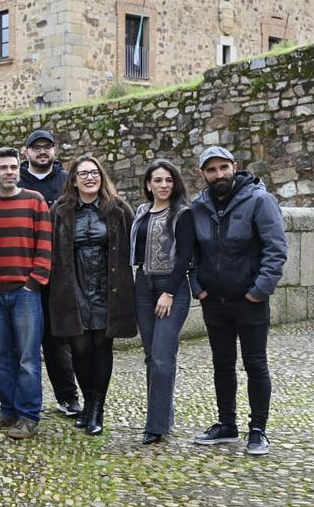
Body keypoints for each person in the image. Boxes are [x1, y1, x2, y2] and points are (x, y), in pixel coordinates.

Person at [189, 146, 287, 456]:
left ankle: (257, 430)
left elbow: (276, 249)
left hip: (250, 300)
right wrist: (197, 288)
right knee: (222, 365)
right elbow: (189, 254)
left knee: (255, 364)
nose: (219, 174)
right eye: (211, 170)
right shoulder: (198, 207)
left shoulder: (260, 200)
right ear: (202, 174)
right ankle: (227, 426)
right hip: (214, 300)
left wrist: (258, 290)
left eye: (223, 168)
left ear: (235, 166)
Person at [48, 156, 136, 436]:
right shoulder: (60, 210)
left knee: (102, 349)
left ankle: (97, 408)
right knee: (79, 350)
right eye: (82, 173)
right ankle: (87, 403)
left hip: (107, 287)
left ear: (101, 176)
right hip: (72, 288)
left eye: (94, 172)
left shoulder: (119, 209)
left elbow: (133, 244)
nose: (89, 178)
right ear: (73, 179)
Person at [0, 147, 52, 439]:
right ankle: (8, 410)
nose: (9, 172)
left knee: (28, 358)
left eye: (13, 167)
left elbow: (45, 245)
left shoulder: (35, 201)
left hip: (25, 292)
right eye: (3, 168)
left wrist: (34, 282)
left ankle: (29, 415)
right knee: (0, 358)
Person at [131, 160, 195, 445]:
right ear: (148, 184)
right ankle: (161, 417)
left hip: (172, 287)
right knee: (150, 356)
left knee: (161, 356)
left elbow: (185, 256)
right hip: (143, 284)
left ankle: (155, 426)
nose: (164, 185)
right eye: (158, 180)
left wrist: (169, 292)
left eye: (169, 180)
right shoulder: (142, 211)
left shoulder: (183, 213)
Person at [19, 129, 80, 417]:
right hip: (25, 269)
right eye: (36, 147)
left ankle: (68, 397)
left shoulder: (69, 180)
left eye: (47, 147)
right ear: (25, 151)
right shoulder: (16, 181)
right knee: (23, 340)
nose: (42, 152)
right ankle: (22, 402)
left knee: (60, 338)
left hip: (64, 269)